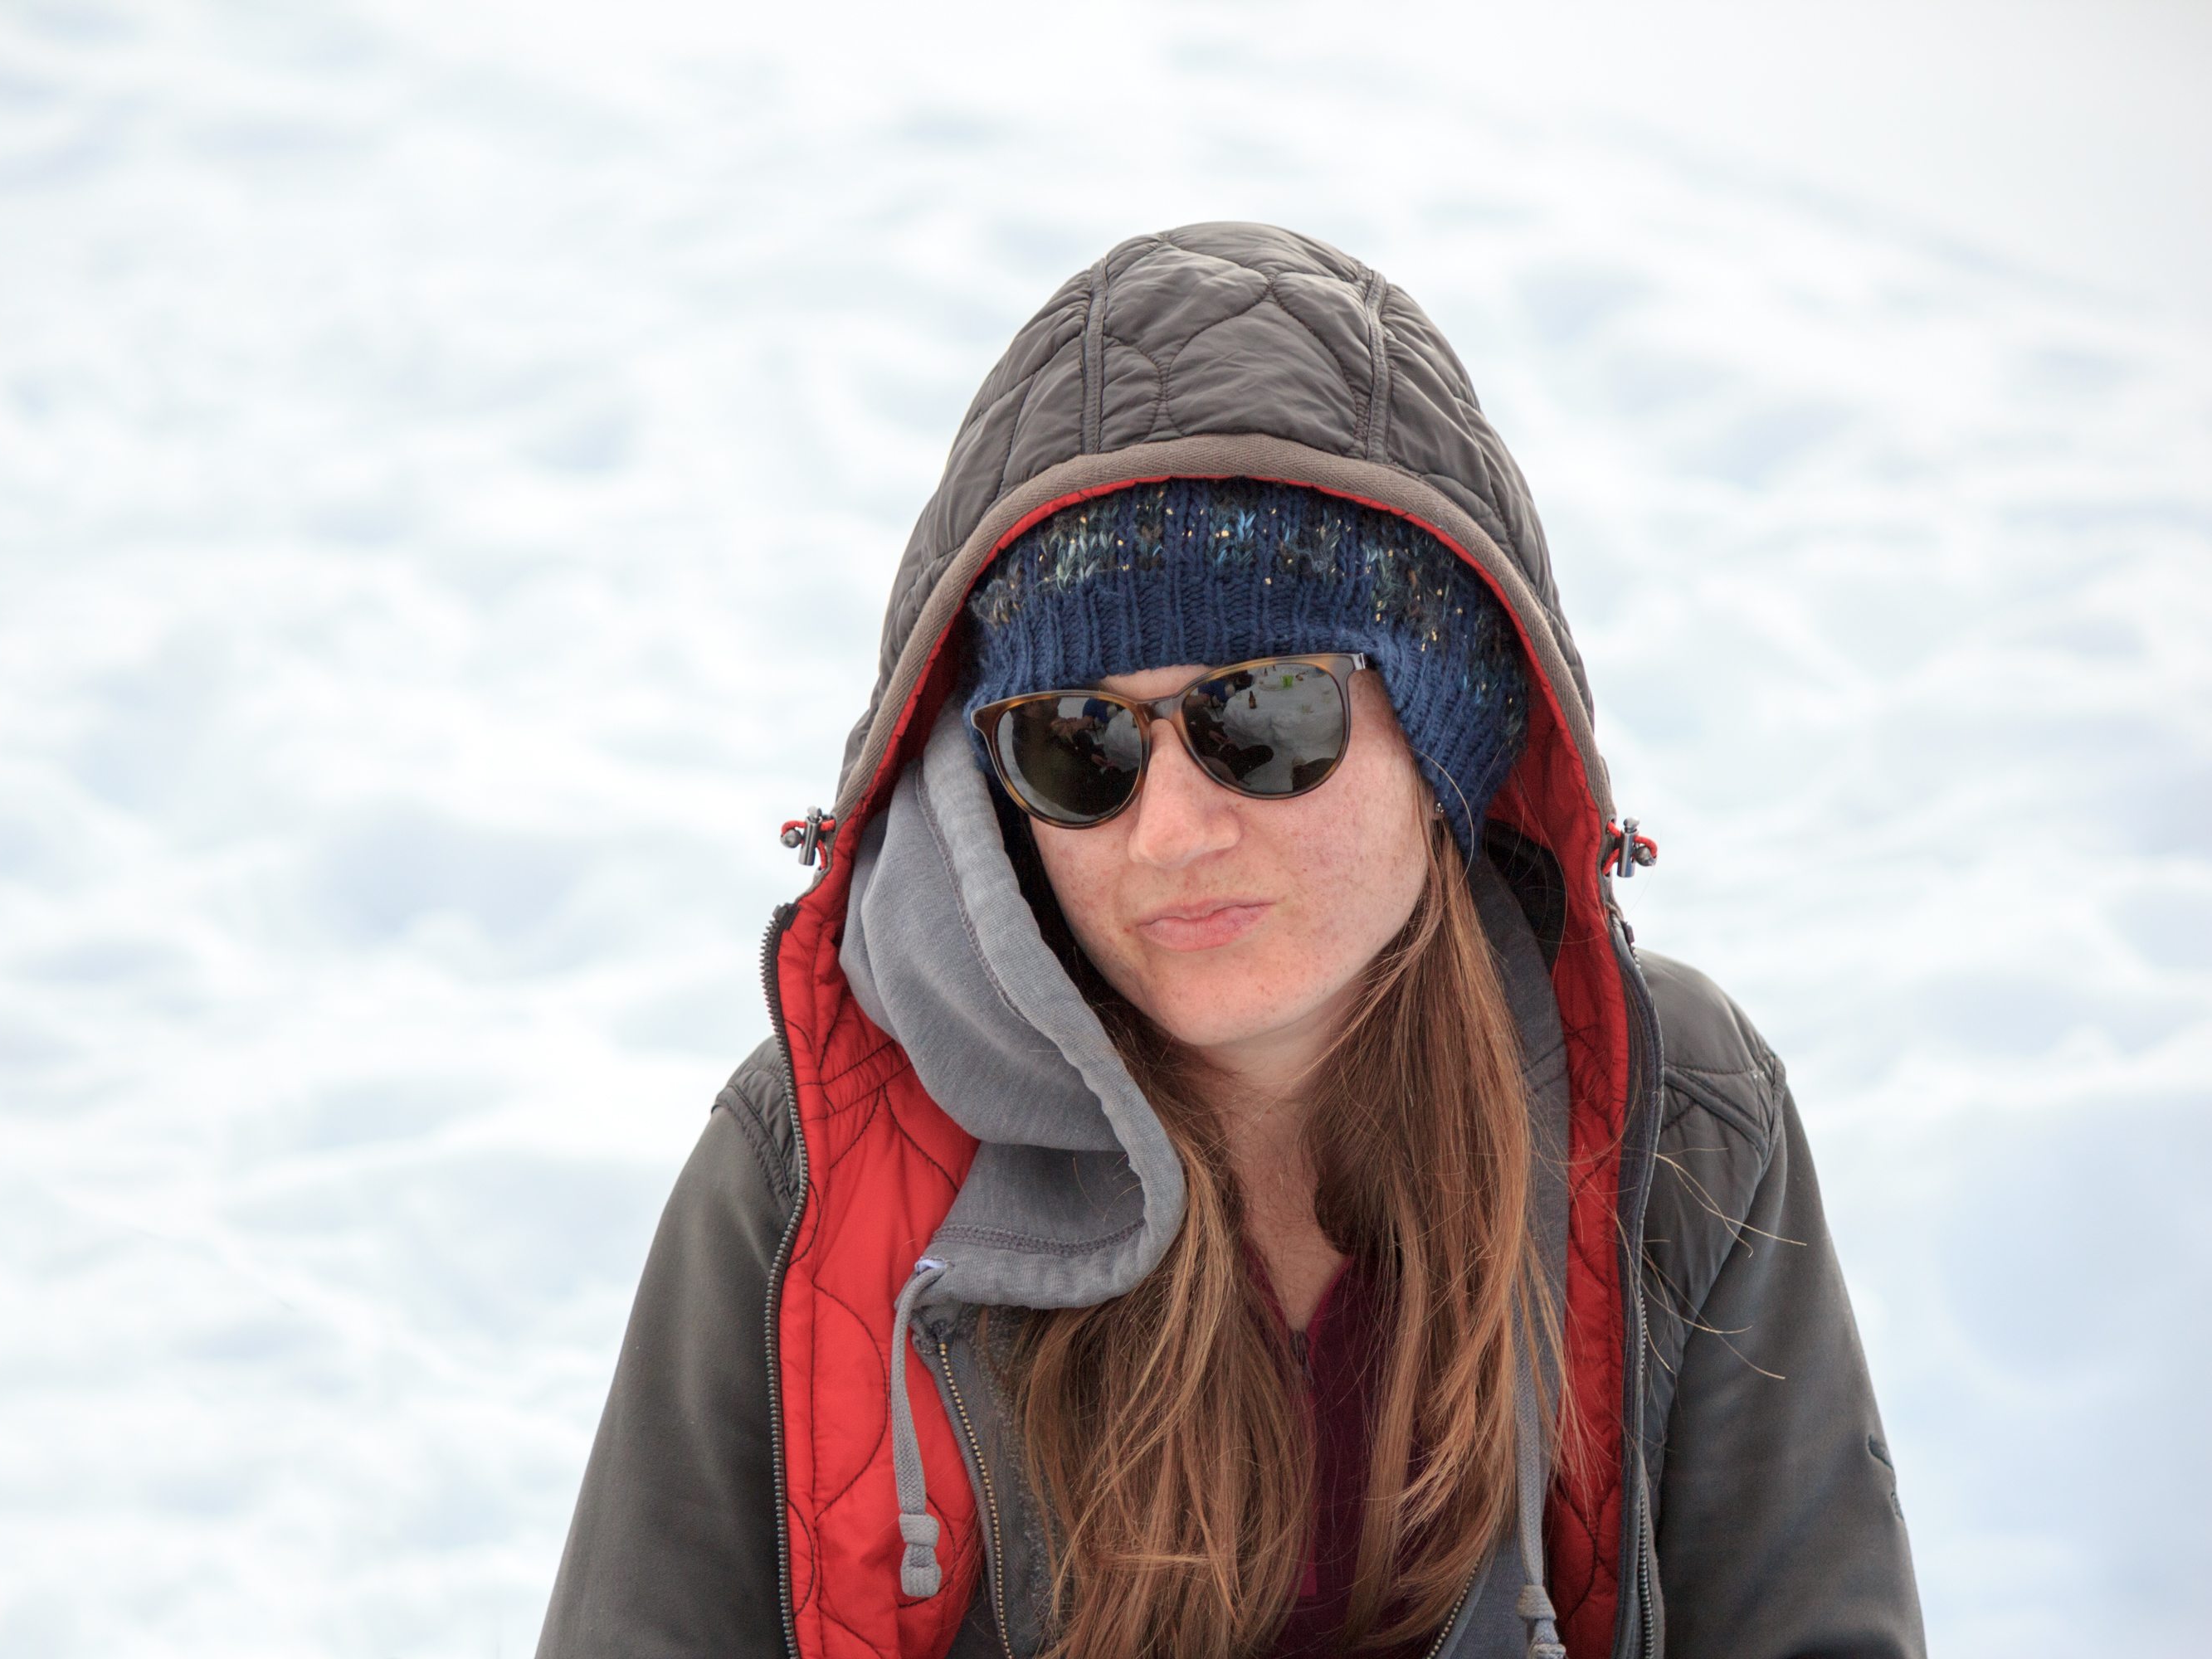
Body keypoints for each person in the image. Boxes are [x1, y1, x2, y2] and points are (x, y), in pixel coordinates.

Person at [538, 223, 1924, 1659]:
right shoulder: (818, 1161)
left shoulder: (1677, 1118)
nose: (1171, 832)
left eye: (1263, 717)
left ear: (1442, 739)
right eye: (1079, 743)